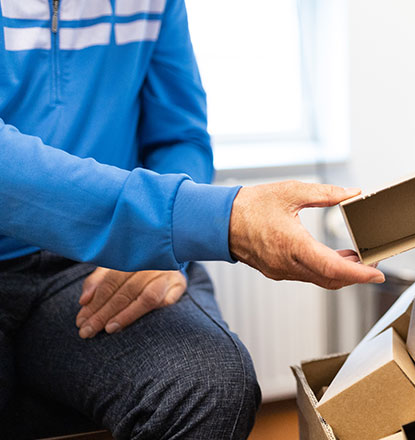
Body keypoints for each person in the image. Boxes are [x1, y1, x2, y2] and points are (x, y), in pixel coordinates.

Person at [0, 0, 384, 438]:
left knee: (212, 385)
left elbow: (179, 135)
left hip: (102, 262)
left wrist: (158, 249)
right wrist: (213, 221)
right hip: (107, 235)